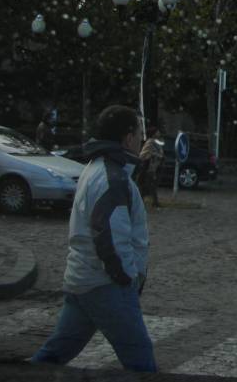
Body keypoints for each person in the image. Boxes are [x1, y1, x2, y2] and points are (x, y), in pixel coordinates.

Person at [32, 105, 155, 373]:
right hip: (106, 286)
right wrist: (128, 279)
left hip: (84, 281)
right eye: (138, 132)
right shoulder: (111, 179)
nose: (141, 138)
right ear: (127, 138)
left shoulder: (98, 168)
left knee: (54, 354)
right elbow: (110, 239)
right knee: (141, 361)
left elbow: (116, 184)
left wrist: (139, 162)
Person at [136, 126, 165, 208]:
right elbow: (144, 154)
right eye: (157, 132)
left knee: (151, 186)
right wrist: (157, 155)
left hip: (154, 168)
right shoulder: (150, 142)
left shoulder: (157, 142)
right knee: (147, 186)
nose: (158, 133)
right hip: (148, 168)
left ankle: (153, 202)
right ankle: (152, 202)